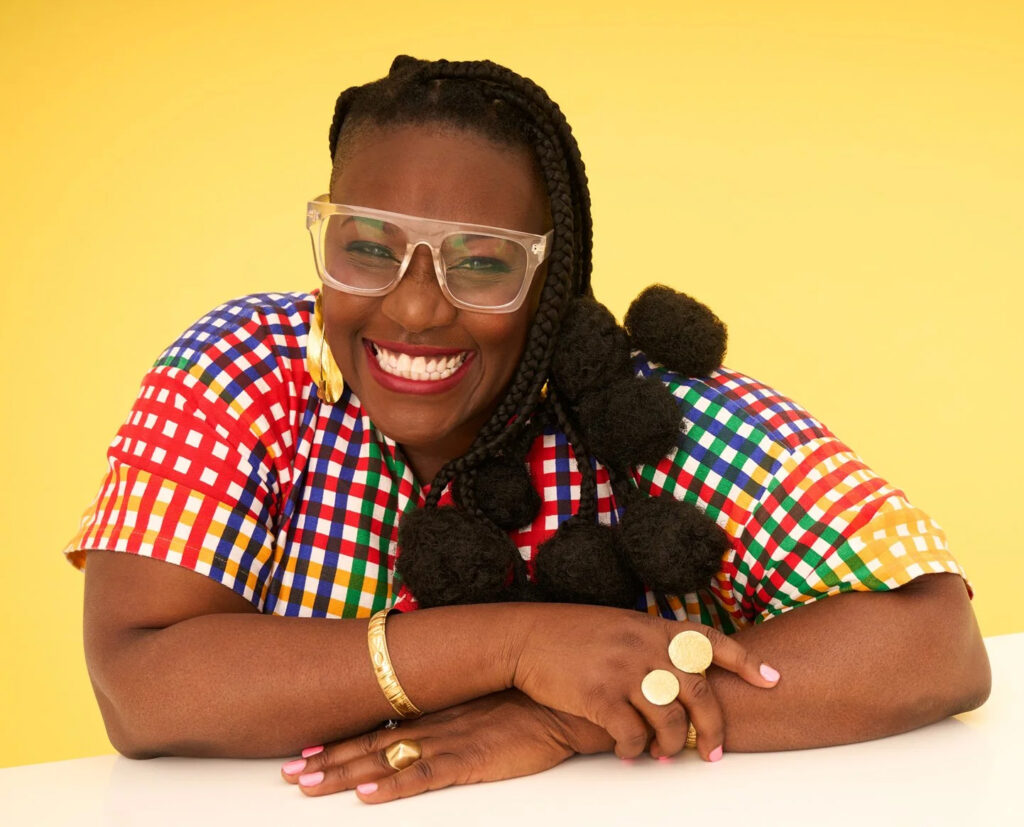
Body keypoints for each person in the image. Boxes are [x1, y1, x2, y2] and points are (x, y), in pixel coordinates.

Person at [66, 56, 990, 804]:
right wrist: (521, 645)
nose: (416, 307)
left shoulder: (649, 423)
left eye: (480, 262)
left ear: (551, 286)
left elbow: (932, 641)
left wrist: (566, 718)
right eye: (366, 246)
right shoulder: (245, 371)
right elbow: (140, 685)